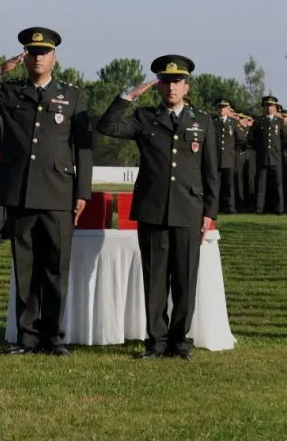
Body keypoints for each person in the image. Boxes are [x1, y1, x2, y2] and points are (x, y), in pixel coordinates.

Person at [0, 27, 93, 357]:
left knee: (55, 269)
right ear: (25, 58)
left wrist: (82, 193)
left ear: (54, 58)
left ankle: (54, 337)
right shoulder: (10, 92)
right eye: (32, 53)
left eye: (44, 52)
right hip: (20, 190)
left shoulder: (72, 96)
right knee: (25, 268)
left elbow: (84, 149)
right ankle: (28, 337)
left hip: (58, 193)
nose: (38, 58)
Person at [96, 55, 218, 360]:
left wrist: (210, 213)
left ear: (187, 85)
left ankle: (180, 341)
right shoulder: (145, 117)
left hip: (189, 209)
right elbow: (107, 126)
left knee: (185, 279)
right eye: (165, 82)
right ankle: (157, 342)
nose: (171, 87)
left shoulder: (202, 122)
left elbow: (211, 171)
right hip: (153, 208)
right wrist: (127, 97)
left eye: (177, 82)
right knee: (155, 279)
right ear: (159, 86)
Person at [251, 96, 286, 214]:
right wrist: (259, 149)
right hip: (262, 157)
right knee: (261, 184)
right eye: (267, 105)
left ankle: (279, 208)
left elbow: (286, 139)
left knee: (277, 185)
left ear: (275, 107)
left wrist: (279, 151)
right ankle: (259, 208)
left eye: (271, 105)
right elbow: (251, 138)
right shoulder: (258, 121)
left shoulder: (280, 122)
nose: (269, 108)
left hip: (276, 157)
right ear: (263, 107)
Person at [211, 99, 244, 214]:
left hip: (229, 158)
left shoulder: (233, 123)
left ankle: (230, 207)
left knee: (229, 185)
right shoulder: (213, 122)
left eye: (224, 107)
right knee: (216, 185)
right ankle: (215, 208)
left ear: (227, 109)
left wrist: (233, 151)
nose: (221, 109)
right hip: (216, 158)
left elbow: (240, 139)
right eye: (220, 107)